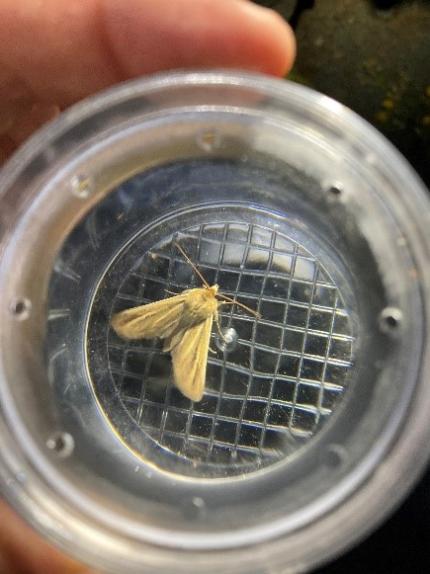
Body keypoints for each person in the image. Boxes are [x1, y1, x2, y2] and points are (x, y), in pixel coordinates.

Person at [0, 1, 295, 572]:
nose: (215, 292)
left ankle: (171, 345)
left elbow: (204, 295)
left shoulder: (201, 300)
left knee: (175, 340)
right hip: (181, 318)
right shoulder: (206, 302)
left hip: (176, 314)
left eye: (215, 293)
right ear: (213, 295)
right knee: (184, 349)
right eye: (216, 292)